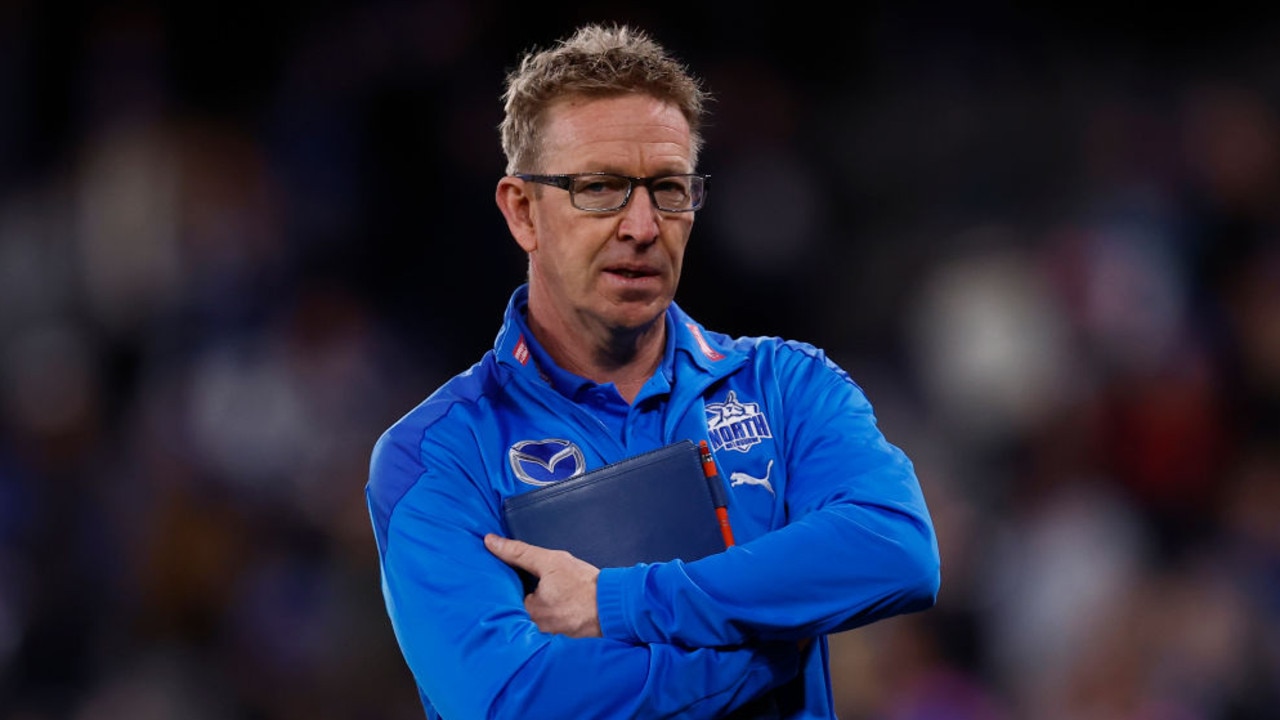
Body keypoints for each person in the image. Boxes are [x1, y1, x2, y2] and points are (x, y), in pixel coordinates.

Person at [366, 23, 940, 719]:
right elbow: (512, 699)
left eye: (669, 189)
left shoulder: (787, 386)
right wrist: (769, 641)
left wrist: (621, 602)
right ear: (523, 212)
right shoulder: (438, 454)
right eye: (602, 188)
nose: (642, 225)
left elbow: (896, 548)